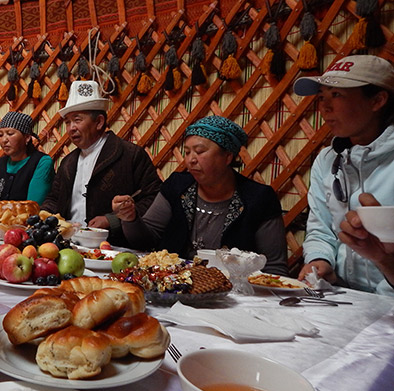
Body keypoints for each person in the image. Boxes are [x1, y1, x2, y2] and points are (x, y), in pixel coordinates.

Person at [112, 116, 289, 275]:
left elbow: (275, 268)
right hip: (174, 285)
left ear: (228, 157)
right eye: (187, 152)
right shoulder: (177, 186)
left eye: (200, 151)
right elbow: (145, 239)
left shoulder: (258, 198)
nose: (191, 160)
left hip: (233, 298)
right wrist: (130, 218)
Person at [294, 55, 394, 296]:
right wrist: (320, 259)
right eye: (321, 97)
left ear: (377, 100)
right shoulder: (327, 160)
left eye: (336, 95)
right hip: (343, 298)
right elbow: (320, 227)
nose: (324, 107)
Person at [41, 80, 161, 247]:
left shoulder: (130, 155)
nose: (70, 128)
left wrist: (111, 220)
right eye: (67, 122)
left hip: (114, 247)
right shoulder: (68, 162)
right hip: (69, 244)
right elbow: (54, 198)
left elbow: (153, 197)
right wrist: (43, 213)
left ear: (99, 122)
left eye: (77, 120)